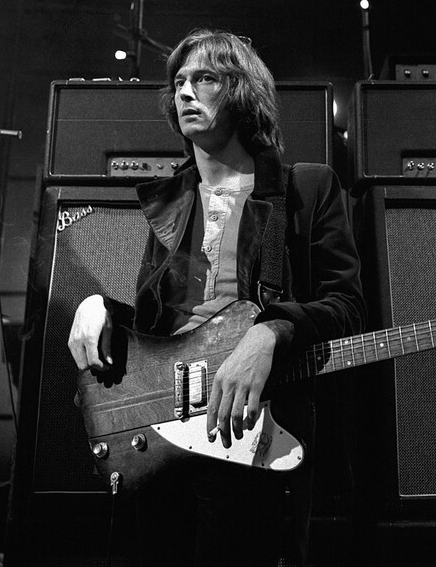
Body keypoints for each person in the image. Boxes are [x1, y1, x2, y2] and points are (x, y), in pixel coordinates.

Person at [67, 28, 366, 566]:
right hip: (163, 431)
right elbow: (156, 331)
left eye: (203, 78)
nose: (185, 91)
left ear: (243, 92)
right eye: (179, 81)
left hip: (249, 427)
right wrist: (100, 307)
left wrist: (270, 331)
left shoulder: (307, 188)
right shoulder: (172, 202)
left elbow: (348, 305)